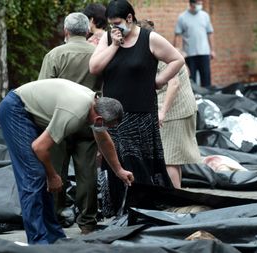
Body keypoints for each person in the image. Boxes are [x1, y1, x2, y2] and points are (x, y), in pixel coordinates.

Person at [0, 78, 134, 244]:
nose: (106, 130)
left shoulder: (94, 103)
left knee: (41, 177)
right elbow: (39, 148)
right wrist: (52, 175)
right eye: (108, 126)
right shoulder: (75, 113)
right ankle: (38, 242)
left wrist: (119, 170)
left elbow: (104, 140)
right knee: (34, 175)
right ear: (99, 119)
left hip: (28, 109)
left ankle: (54, 236)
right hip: (16, 109)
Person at [89, 0, 184, 214]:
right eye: (111, 24)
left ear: (130, 19)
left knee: (140, 164)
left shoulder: (148, 38)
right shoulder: (108, 39)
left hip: (141, 114)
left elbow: (177, 59)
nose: (115, 28)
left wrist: (159, 81)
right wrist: (114, 45)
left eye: (118, 23)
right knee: (116, 162)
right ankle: (117, 210)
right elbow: (94, 68)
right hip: (114, 115)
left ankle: (145, 209)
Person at [38, 12, 102, 234]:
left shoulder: (55, 55)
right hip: (89, 122)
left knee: (55, 173)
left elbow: (42, 91)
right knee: (87, 174)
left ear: (66, 31)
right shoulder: (98, 54)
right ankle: (87, 223)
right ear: (87, 31)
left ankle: (54, 221)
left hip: (59, 123)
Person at [138, 19, 202, 188]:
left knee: (169, 159)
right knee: (174, 158)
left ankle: (175, 201)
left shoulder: (159, 53)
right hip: (180, 109)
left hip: (174, 112)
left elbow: (174, 84)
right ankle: (178, 194)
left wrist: (162, 112)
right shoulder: (162, 48)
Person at [173, 0, 215, 87]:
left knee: (206, 80)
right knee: (192, 81)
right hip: (189, 54)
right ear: (192, 4)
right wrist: (177, 52)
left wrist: (212, 50)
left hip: (204, 53)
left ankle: (207, 98)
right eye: (198, 3)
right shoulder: (182, 17)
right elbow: (177, 35)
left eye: (201, 3)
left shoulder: (205, 16)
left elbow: (210, 33)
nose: (200, 5)